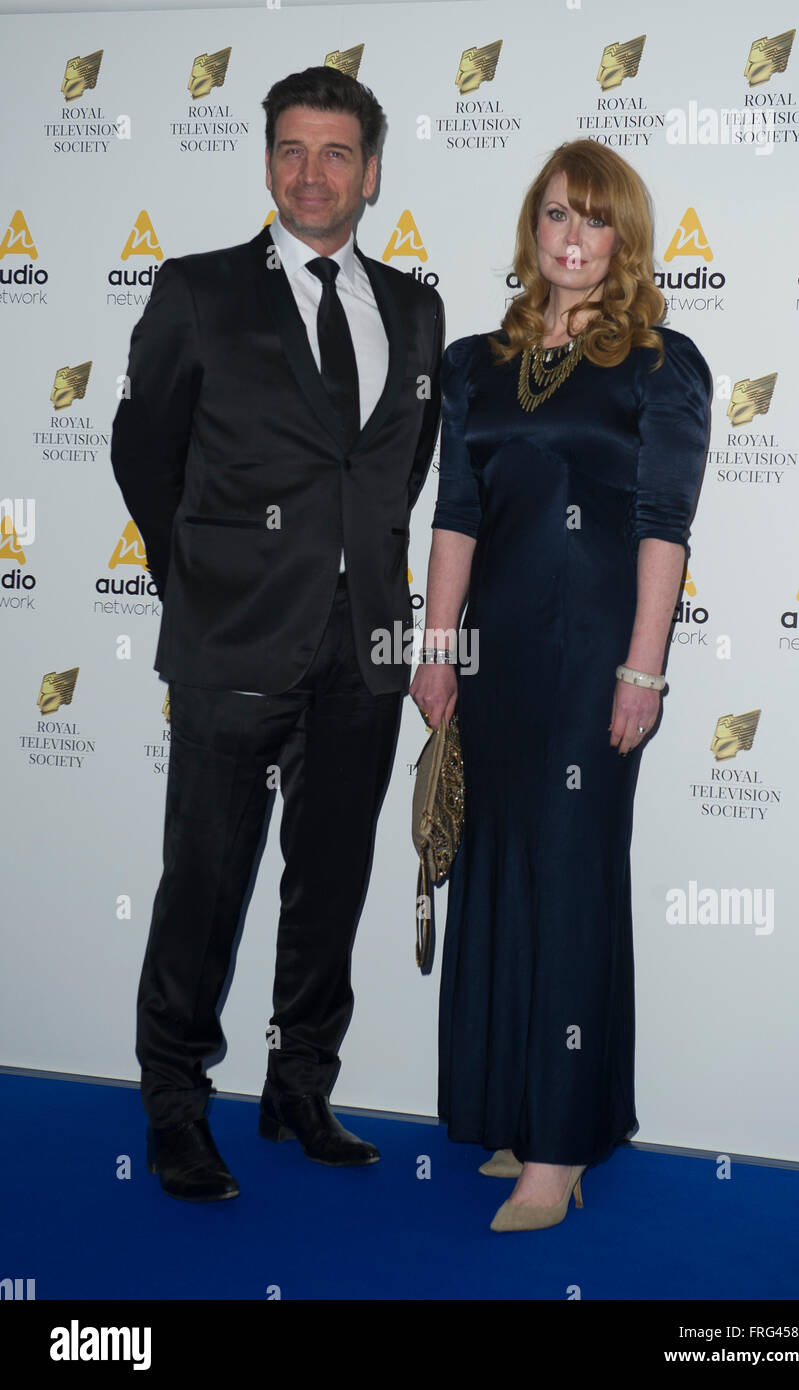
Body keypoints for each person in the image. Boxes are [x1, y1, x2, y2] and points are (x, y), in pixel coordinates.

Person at [111, 66, 444, 1201]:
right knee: (204, 882)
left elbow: (400, 470)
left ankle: (300, 1084)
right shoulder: (200, 291)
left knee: (330, 880)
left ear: (371, 171)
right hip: (232, 647)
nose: (313, 173)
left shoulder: (413, 307)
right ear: (266, 163)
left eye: (337, 152)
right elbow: (142, 452)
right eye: (292, 150)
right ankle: (173, 1103)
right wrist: (200, 578)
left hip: (363, 653)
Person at [410, 139, 711, 1232]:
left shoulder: (659, 363)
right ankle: (507, 1107)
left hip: (594, 660)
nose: (570, 239)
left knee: (575, 880)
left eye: (592, 220)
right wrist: (434, 646)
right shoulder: (474, 363)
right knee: (493, 874)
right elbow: (454, 512)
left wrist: (644, 667)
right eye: (553, 216)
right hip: (494, 658)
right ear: (531, 229)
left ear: (621, 238)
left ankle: (562, 1143)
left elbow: (661, 528)